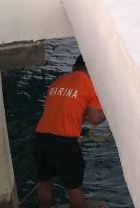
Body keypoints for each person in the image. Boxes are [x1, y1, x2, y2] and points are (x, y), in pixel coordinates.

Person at [34, 55, 105, 208]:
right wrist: (108, 113)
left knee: (44, 180)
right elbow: (95, 118)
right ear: (92, 70)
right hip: (64, 141)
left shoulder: (57, 82)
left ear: (74, 67)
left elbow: (61, 109)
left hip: (40, 136)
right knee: (74, 186)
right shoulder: (91, 85)